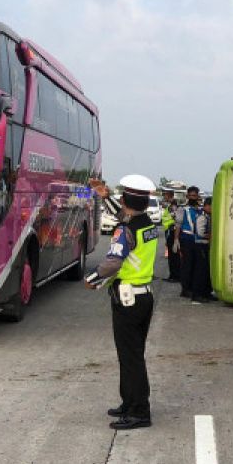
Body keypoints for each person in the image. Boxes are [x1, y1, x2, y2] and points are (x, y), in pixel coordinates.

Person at [84, 174, 158, 430]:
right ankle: (129, 403)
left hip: (128, 299)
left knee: (131, 357)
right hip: (143, 297)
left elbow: (113, 262)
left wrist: (92, 279)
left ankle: (140, 411)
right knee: (130, 356)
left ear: (126, 199)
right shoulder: (148, 224)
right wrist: (106, 196)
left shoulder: (125, 230)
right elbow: (125, 216)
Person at [176, 185, 202, 298]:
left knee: (196, 265)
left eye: (195, 195)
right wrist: (176, 240)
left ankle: (192, 287)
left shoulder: (199, 210)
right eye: (191, 195)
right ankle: (185, 289)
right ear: (187, 196)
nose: (193, 197)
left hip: (196, 240)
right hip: (186, 239)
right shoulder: (183, 209)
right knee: (187, 265)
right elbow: (178, 225)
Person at [191, 195, 214, 303]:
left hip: (205, 246)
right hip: (200, 245)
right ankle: (197, 295)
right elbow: (200, 233)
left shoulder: (208, 216)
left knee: (206, 271)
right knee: (200, 271)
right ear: (207, 206)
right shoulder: (202, 217)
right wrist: (211, 236)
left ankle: (206, 293)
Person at [161, 188, 182, 282]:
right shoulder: (170, 205)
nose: (163, 196)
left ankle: (175, 276)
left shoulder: (172, 206)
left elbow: (176, 218)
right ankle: (174, 275)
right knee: (172, 254)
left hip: (172, 231)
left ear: (169, 195)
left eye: (165, 195)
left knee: (173, 255)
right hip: (170, 231)